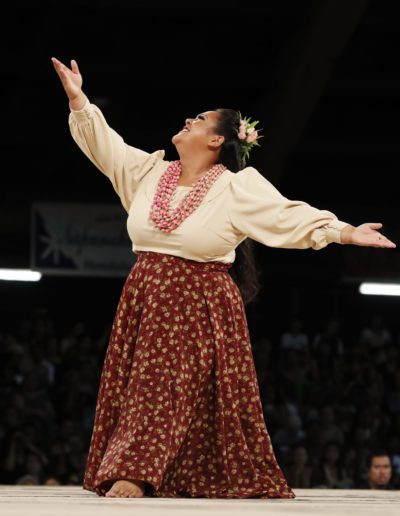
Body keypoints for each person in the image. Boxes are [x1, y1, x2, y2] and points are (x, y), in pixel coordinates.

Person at [51, 56, 396, 500]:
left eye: (199, 120)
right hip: (145, 292)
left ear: (216, 139)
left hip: (199, 297)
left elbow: (286, 215)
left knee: (165, 381)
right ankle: (171, 471)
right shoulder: (149, 173)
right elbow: (106, 147)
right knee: (146, 381)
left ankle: (135, 472)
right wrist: (78, 98)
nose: (188, 120)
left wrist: (345, 231)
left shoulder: (235, 187)